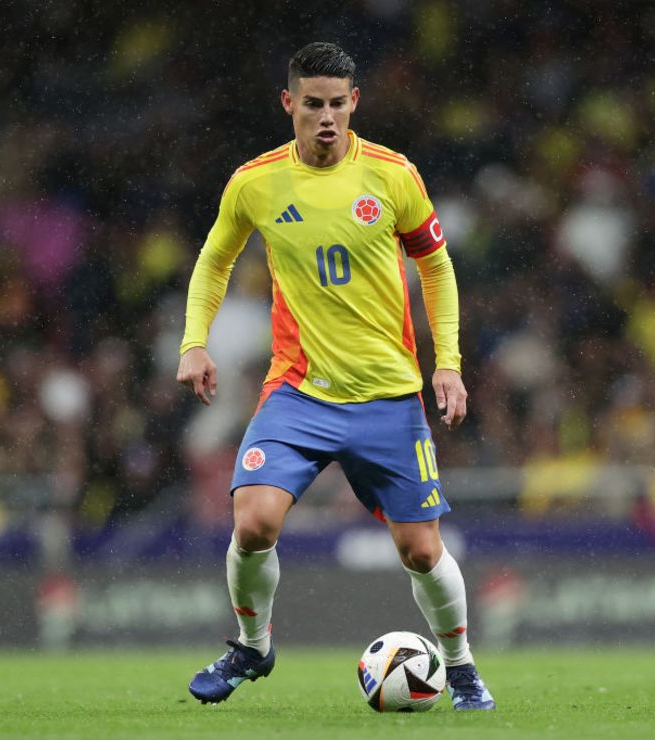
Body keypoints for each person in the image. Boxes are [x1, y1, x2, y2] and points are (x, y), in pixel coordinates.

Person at [176, 42, 494, 710]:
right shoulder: (256, 182)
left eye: (337, 104)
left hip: (387, 395)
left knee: (419, 549)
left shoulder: (392, 175)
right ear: (289, 104)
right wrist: (194, 344)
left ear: (355, 103)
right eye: (312, 104)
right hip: (299, 390)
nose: (326, 117)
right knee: (253, 521)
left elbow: (436, 267)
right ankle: (252, 647)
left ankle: (460, 665)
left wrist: (449, 364)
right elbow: (213, 261)